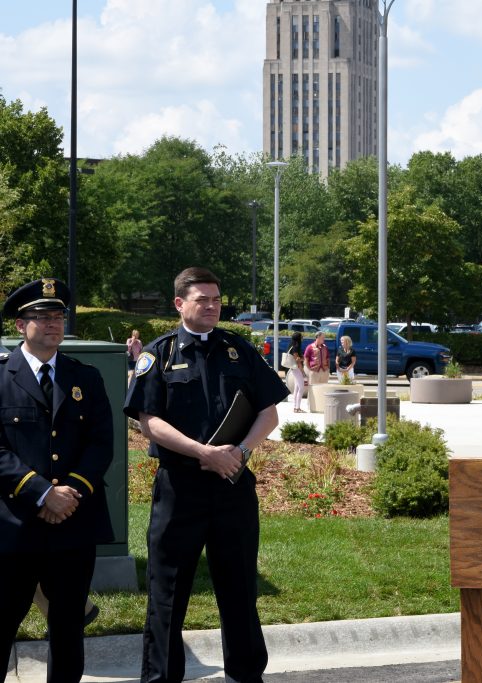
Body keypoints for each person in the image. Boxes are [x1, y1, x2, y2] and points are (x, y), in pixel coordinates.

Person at [123, 267, 288, 683]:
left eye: (217, 299)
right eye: (203, 300)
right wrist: (203, 453)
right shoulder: (158, 354)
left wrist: (242, 451)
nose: (213, 306)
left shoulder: (239, 349)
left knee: (239, 591)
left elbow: (269, 411)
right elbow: (148, 421)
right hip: (181, 489)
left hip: (233, 485)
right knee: (168, 594)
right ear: (180, 303)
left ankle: (246, 676)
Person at [0, 277, 114, 683]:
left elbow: (101, 445)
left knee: (68, 628)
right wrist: (42, 492)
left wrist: (69, 494)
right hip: (15, 526)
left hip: (73, 525)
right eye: (41, 316)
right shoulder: (1, 376)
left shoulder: (87, 377)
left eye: (58, 316)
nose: (52, 324)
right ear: (19, 325)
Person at [286, 331, 306, 413]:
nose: (302, 338)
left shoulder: (291, 345)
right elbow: (297, 359)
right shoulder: (296, 347)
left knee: (297, 388)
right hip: (296, 368)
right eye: (301, 336)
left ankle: (296, 407)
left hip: (294, 368)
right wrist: (303, 359)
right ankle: (297, 407)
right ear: (298, 338)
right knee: (301, 388)